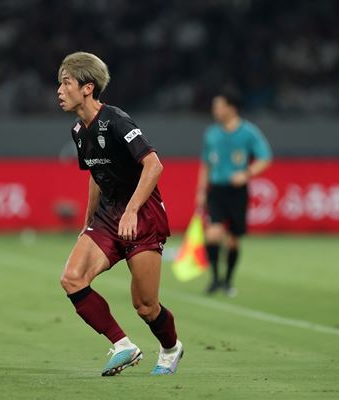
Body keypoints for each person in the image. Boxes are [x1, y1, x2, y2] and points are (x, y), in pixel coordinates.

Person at [57, 52, 183, 376]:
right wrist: (88, 221)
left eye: (66, 83)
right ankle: (123, 345)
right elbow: (96, 174)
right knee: (72, 279)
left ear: (87, 88)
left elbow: (154, 165)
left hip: (143, 216)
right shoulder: (78, 130)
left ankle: (171, 348)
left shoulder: (116, 121)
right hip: (108, 216)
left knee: (145, 306)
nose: (59, 90)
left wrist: (132, 211)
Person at [195, 90, 272, 296]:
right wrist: (201, 191)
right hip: (216, 190)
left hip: (237, 192)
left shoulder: (248, 132)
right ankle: (215, 278)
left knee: (233, 240)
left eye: (218, 106)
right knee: (212, 234)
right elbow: (206, 165)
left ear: (231, 108)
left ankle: (228, 281)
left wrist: (246, 174)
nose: (215, 110)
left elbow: (265, 157)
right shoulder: (211, 133)